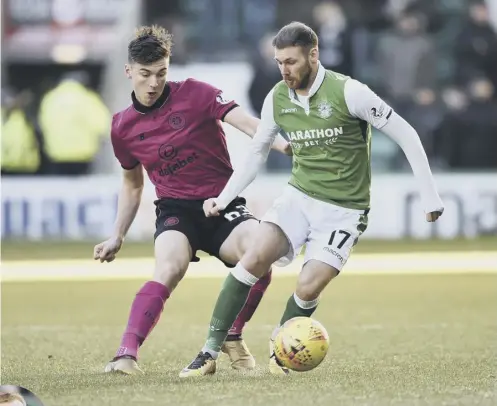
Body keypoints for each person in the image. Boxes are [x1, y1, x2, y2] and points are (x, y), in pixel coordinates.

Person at [180, 21, 444, 378]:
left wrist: (430, 197)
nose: (284, 70)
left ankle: (281, 349)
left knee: (309, 285)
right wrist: (225, 198)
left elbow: (407, 134)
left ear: (313, 55)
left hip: (344, 211)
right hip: (298, 197)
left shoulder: (349, 92)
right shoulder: (278, 97)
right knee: (254, 256)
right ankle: (209, 351)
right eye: (278, 62)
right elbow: (257, 153)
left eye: (291, 61)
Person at [94, 25, 292, 375]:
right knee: (169, 267)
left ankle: (232, 333)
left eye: (161, 73)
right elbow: (132, 185)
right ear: (129, 72)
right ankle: (125, 354)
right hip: (175, 211)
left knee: (264, 252)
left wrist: (283, 144)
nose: (153, 83)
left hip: (223, 202)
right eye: (145, 75)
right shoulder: (122, 126)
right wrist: (117, 235)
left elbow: (245, 123)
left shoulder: (197, 93)